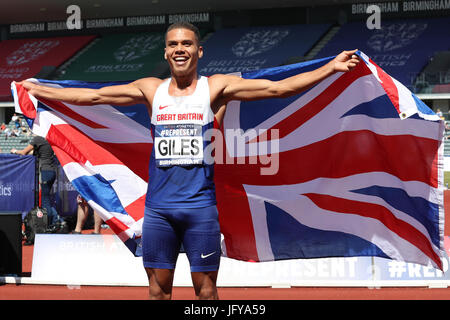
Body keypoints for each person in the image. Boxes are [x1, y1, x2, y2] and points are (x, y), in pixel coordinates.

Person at [17, 21, 360, 300]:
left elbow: (277, 90)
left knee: (207, 292)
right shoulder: (151, 89)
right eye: (173, 44)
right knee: (157, 290)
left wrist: (331, 67)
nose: (179, 49)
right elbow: (91, 96)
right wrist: (39, 90)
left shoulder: (214, 88)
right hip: (159, 210)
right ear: (166, 51)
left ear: (199, 50)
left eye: (186, 43)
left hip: (200, 209)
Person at [11, 135, 62, 230]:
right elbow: (34, 152)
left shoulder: (38, 139)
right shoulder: (49, 138)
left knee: (45, 201)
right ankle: (58, 221)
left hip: (45, 171)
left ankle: (53, 223)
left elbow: (24, 152)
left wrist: (14, 151)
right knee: (47, 199)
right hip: (52, 171)